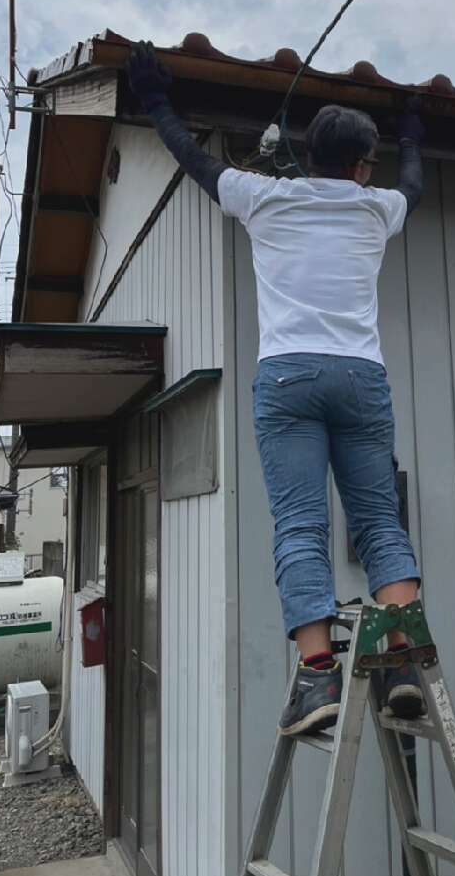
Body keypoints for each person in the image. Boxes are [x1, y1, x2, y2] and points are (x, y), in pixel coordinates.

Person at [127, 41, 426, 736]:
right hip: (359, 376)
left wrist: (157, 100)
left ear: (309, 154)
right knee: (380, 522)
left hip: (289, 376)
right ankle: (405, 661)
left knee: (300, 525)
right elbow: (416, 185)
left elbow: (195, 162)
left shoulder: (264, 196)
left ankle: (317, 676)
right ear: (359, 165)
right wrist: (413, 131)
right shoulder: (376, 208)